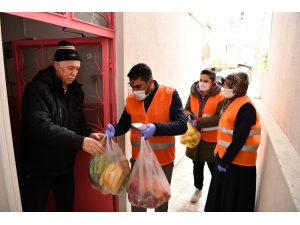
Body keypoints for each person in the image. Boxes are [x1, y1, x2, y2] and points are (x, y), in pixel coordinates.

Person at [19, 40, 105, 212]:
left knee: (66, 209)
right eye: (70, 68)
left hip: (65, 165)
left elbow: (78, 121)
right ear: (57, 65)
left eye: (77, 69)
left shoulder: (75, 91)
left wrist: (88, 134)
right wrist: (80, 142)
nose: (74, 73)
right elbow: (41, 127)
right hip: (38, 167)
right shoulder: (36, 89)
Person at [104, 63, 187, 212]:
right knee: (137, 202)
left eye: (138, 86)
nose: (135, 91)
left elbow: (181, 125)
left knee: (160, 202)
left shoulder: (170, 94)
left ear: (150, 82)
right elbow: (124, 124)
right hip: (138, 161)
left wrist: (156, 128)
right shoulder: (131, 99)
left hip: (163, 162)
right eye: (132, 87)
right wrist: (114, 129)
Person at [204, 72, 261, 212]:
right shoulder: (232, 102)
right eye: (224, 85)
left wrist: (224, 162)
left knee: (231, 202)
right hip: (226, 159)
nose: (224, 88)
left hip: (238, 164)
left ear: (238, 86)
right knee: (221, 198)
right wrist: (218, 150)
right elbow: (225, 131)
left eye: (227, 86)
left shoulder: (246, 108)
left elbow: (239, 140)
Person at [184, 69, 225, 203]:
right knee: (197, 165)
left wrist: (199, 122)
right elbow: (186, 108)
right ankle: (198, 189)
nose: (202, 83)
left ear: (213, 82)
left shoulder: (221, 97)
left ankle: (216, 192)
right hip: (194, 137)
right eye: (201, 80)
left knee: (213, 167)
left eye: (205, 81)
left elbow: (219, 117)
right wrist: (188, 115)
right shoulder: (193, 93)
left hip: (211, 139)